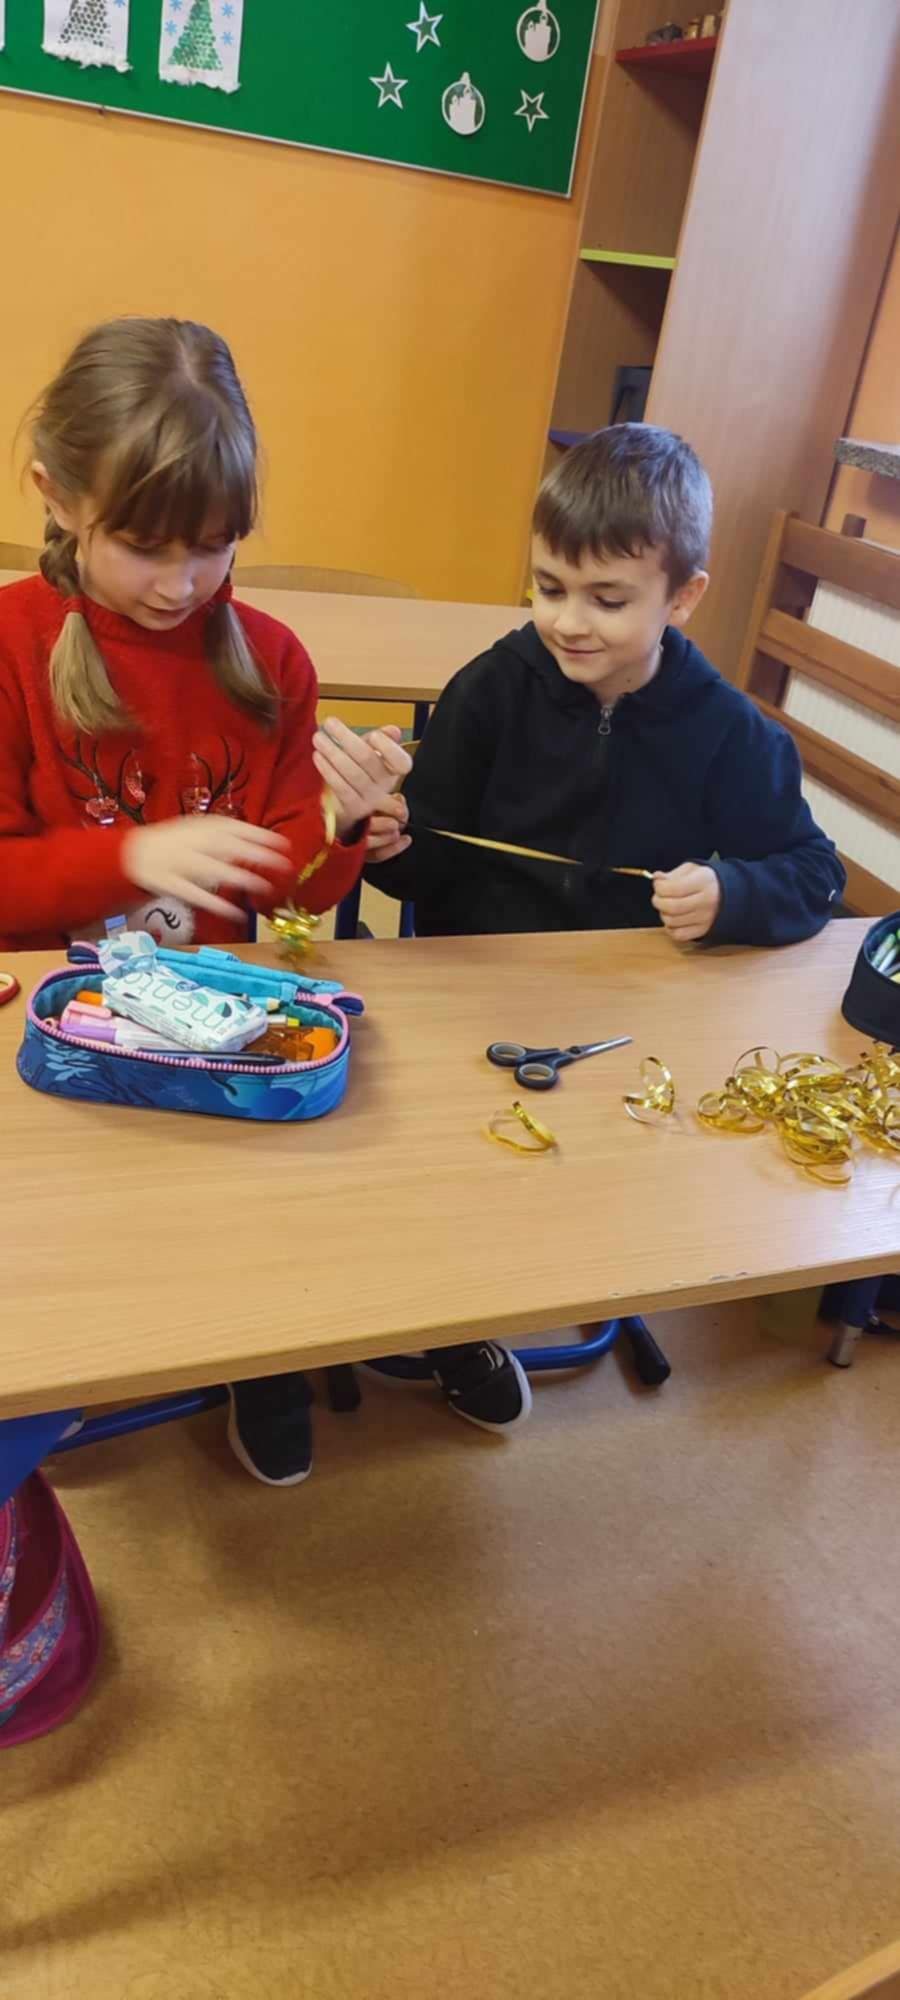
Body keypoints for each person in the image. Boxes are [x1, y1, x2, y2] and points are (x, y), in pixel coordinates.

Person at [366, 425, 846, 1428]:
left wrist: (732, 893)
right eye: (548, 587)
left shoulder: (728, 731)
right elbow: (428, 858)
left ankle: (530, 1282)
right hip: (476, 993)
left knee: (593, 1181)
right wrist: (386, 844)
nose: (567, 621)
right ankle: (452, 1320)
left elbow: (813, 873)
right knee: (445, 1168)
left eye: (607, 599)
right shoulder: (492, 689)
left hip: (629, 1023)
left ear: (684, 596)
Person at [0, 315, 410, 1487]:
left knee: (246, 1214)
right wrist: (132, 856)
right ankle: (55, 1355)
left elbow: (292, 891)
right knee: (63, 1236)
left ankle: (256, 1355)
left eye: (216, 547)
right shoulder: (13, 644)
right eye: (144, 547)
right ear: (56, 495)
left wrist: (343, 829)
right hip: (51, 1024)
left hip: (214, 1026)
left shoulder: (270, 659)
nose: (181, 584)